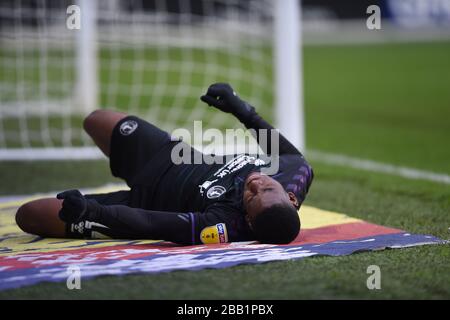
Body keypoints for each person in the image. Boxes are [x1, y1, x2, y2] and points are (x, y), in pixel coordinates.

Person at [15, 83, 313, 245]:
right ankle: (124, 162)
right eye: (267, 187)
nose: (255, 185)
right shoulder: (296, 174)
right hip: (169, 156)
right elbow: (287, 153)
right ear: (289, 196)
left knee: (31, 215)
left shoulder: (224, 226)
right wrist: (242, 111)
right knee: (96, 119)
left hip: (143, 202)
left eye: (253, 198)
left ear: (248, 220)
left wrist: (94, 211)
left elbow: (152, 223)